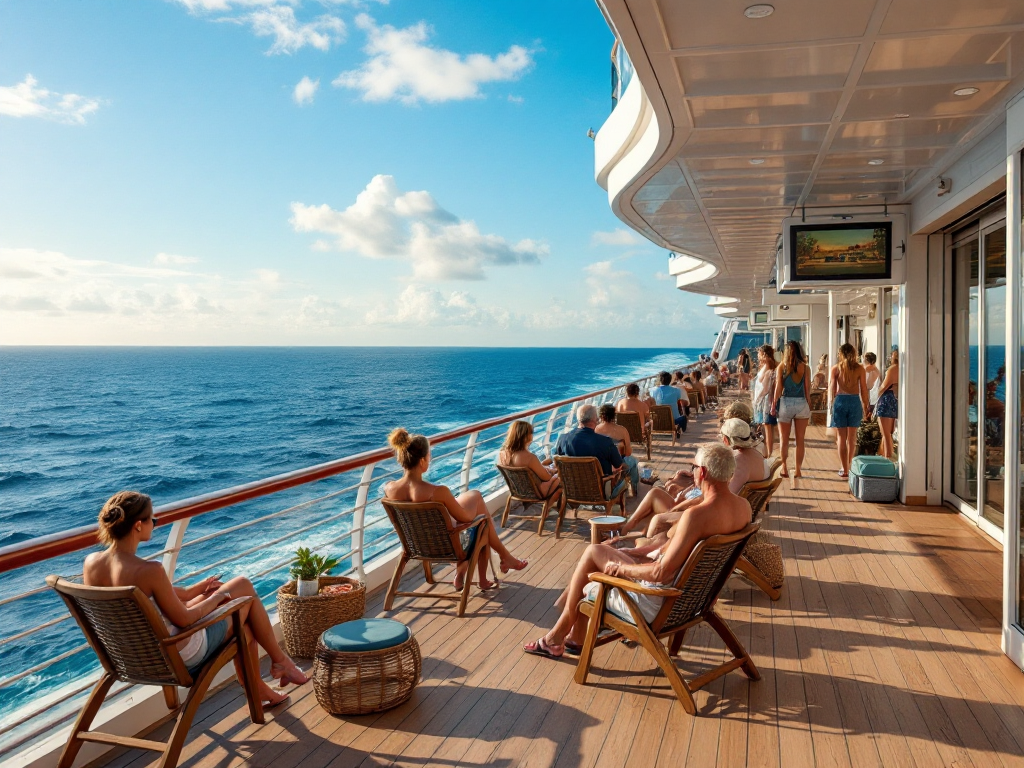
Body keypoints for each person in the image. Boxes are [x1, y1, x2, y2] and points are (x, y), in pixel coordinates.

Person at [522, 443, 751, 658]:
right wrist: (636, 554)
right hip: (694, 599)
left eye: (693, 468)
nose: (692, 474)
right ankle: (572, 636)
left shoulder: (697, 516)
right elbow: (677, 549)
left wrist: (621, 569)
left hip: (658, 603)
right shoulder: (743, 508)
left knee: (593, 559)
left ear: (702, 472)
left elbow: (660, 574)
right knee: (600, 551)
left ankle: (558, 635)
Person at [82, 491, 307, 707]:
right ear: (138, 525)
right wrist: (219, 596)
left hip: (132, 660)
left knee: (246, 626)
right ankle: (279, 664)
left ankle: (266, 681)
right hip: (179, 657)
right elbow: (185, 621)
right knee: (243, 592)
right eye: (153, 519)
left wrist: (198, 595)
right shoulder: (149, 570)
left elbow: (158, 612)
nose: (155, 522)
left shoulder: (91, 563)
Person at [384, 429, 527, 590]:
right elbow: (466, 519)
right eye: (429, 456)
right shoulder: (437, 492)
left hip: (417, 546)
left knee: (475, 506)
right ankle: (491, 569)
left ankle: (478, 569)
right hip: (448, 548)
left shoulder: (389, 489)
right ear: (423, 461)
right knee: (482, 522)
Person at [554, 404, 628, 497]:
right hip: (601, 492)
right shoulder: (605, 442)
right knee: (626, 468)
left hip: (572, 490)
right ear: (595, 419)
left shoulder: (563, 439)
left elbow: (557, 462)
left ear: (578, 419)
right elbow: (618, 465)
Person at [771, 340, 811, 480]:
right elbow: (807, 390)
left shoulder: (782, 367)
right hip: (801, 403)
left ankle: (784, 468)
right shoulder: (805, 368)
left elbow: (778, 389)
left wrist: (773, 404)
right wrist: (809, 405)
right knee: (800, 440)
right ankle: (798, 470)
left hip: (785, 403)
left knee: (784, 439)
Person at [829, 343, 870, 478]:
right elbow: (863, 389)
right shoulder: (860, 369)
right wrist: (866, 406)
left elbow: (832, 388)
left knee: (841, 437)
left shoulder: (836, 369)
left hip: (840, 401)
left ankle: (844, 468)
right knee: (852, 438)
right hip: (854, 402)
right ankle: (850, 465)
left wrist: (830, 404)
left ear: (840, 354)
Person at [498, 420, 560, 498]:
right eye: (531, 432)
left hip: (518, 491)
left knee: (548, 467)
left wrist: (546, 468)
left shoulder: (502, 454)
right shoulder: (529, 457)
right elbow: (547, 478)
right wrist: (552, 472)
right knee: (561, 477)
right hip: (537, 493)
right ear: (526, 436)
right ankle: (547, 508)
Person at [596, 404, 640, 494]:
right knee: (634, 462)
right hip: (619, 464)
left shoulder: (596, 430)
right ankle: (634, 488)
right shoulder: (622, 430)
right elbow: (628, 453)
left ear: (601, 416)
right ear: (614, 415)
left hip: (602, 464)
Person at [752, 344, 778, 456]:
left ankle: (768, 453)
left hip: (765, 400)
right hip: (767, 398)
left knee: (767, 429)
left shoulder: (768, 366)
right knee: (769, 429)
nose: (757, 355)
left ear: (764, 354)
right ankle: (768, 452)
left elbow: (765, 387)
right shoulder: (772, 365)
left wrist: (756, 400)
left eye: (759, 353)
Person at [874, 349, 899, 459]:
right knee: (889, 433)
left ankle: (888, 457)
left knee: (885, 433)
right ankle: (885, 456)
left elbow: (884, 386)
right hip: (895, 400)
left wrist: (876, 396)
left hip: (886, 401)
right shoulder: (904, 369)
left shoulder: (893, 369)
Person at [650, 371, 687, 435]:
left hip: (658, 420)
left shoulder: (653, 390)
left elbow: (651, 396)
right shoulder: (676, 390)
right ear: (670, 380)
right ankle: (678, 429)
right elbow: (678, 399)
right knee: (683, 417)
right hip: (673, 420)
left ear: (660, 380)